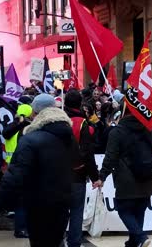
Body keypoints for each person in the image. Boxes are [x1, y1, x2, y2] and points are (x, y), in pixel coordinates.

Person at [0, 94, 76, 247]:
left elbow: (13, 178)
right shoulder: (68, 135)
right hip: (62, 203)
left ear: (35, 112)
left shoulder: (31, 139)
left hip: (38, 206)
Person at [98, 100, 152, 247]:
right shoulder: (149, 127)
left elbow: (110, 158)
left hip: (126, 179)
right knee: (139, 211)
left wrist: (101, 177)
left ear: (122, 112)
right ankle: (134, 242)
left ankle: (140, 237)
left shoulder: (117, 132)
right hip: (148, 177)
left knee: (123, 209)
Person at [64, 90, 100, 247]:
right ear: (80, 103)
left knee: (60, 211)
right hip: (77, 174)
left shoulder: (59, 120)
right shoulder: (82, 123)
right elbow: (87, 154)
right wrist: (95, 177)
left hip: (57, 174)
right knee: (77, 211)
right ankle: (74, 243)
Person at [2, 103, 33, 238]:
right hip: (23, 166)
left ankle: (20, 227)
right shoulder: (25, 128)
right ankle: (21, 229)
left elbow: (6, 134)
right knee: (23, 201)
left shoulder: (11, 126)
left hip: (11, 167)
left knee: (19, 200)